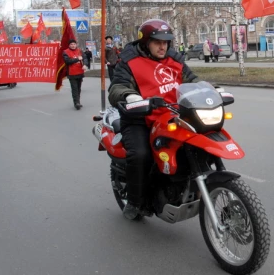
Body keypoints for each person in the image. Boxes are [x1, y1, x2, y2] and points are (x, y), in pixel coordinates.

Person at [108, 19, 199, 220]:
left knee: (198, 141)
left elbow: (191, 79)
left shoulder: (174, 58)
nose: (163, 46)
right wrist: (129, 96)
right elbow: (117, 88)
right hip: (139, 118)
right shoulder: (128, 61)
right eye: (157, 41)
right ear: (146, 42)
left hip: (172, 115)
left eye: (166, 42)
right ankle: (134, 201)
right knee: (141, 155)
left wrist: (208, 89)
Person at [63, 39, 88, 110]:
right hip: (72, 73)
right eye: (71, 44)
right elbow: (67, 61)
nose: (73, 45)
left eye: (74, 44)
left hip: (80, 72)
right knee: (74, 89)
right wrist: (77, 59)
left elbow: (85, 58)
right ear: (69, 45)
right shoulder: (66, 52)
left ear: (76, 44)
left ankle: (78, 101)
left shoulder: (80, 51)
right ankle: (76, 103)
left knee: (78, 88)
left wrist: (85, 65)